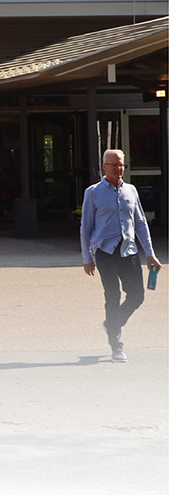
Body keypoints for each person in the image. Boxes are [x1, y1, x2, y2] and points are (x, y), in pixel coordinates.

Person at [81, 149, 161, 363]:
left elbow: (141, 224)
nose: (119, 169)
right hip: (105, 251)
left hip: (129, 250)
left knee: (137, 295)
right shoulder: (93, 192)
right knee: (112, 295)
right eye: (114, 165)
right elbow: (85, 227)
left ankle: (112, 323)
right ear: (104, 166)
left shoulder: (131, 191)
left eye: (122, 165)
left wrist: (150, 254)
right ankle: (116, 344)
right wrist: (87, 257)